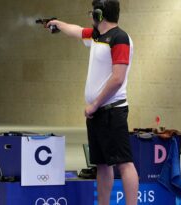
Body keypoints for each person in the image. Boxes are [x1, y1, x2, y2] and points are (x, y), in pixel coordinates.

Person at [46, 0, 138, 204]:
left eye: (92, 13)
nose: (90, 17)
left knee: (124, 163)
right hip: (98, 113)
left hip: (112, 110)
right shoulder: (97, 36)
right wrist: (57, 23)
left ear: (99, 15)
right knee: (103, 165)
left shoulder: (119, 38)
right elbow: (77, 31)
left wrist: (95, 104)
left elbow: (118, 78)